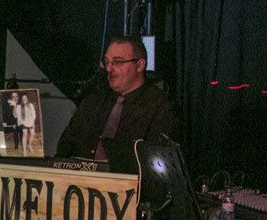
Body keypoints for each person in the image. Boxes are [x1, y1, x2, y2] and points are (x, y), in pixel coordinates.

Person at [54, 35, 178, 173]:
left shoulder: (160, 105)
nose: (109, 68)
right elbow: (66, 144)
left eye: (117, 62)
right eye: (107, 62)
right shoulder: (94, 101)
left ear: (140, 65)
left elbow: (156, 162)